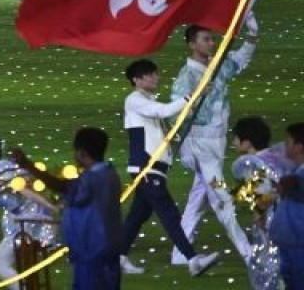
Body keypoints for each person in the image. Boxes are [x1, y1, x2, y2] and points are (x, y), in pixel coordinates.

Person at [169, 15, 258, 265]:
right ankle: (247, 252)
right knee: (222, 198)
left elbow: (240, 60)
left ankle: (179, 254)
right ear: (191, 44)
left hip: (215, 145)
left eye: (213, 39)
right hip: (199, 147)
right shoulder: (187, 77)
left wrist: (252, 34)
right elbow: (176, 112)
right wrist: (195, 97)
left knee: (198, 201)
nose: (212, 43)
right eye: (206, 39)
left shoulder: (216, 66)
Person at [119, 59, 220, 277]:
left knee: (138, 216)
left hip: (152, 167)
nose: (156, 77)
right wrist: (192, 95)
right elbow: (164, 111)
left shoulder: (145, 100)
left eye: (155, 73)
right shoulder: (135, 99)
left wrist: (198, 96)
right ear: (136, 80)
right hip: (147, 167)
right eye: (150, 75)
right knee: (169, 213)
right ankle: (193, 260)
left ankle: (118, 257)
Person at [11, 127, 123, 290]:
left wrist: (29, 166)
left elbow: (63, 187)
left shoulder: (91, 179)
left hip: (91, 251)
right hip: (105, 248)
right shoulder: (109, 173)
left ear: (82, 153)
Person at [0, 138, 58, 290]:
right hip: (19, 220)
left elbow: (25, 190)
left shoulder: (2, 172)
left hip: (30, 220)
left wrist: (51, 207)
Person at [232, 116, 298, 290]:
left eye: (236, 138)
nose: (233, 142)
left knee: (268, 267)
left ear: (247, 142)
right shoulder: (278, 157)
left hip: (273, 220)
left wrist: (258, 213)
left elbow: (266, 192)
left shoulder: (253, 163)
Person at [270, 122, 304, 290]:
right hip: (287, 245)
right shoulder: (294, 173)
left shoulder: (295, 178)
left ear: (298, 146)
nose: (285, 144)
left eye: (289, 141)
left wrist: (293, 183)